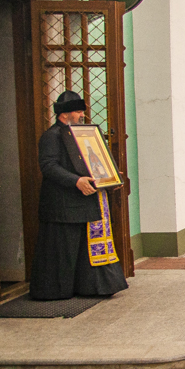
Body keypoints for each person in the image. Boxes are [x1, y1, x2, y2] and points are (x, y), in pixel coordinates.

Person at [29, 90, 128, 301]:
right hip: (62, 205)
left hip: (84, 202)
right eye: (77, 111)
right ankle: (56, 291)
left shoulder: (81, 133)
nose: (82, 115)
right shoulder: (52, 135)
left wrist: (109, 176)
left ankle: (89, 287)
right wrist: (76, 181)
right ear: (64, 114)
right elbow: (48, 166)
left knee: (82, 249)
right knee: (63, 249)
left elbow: (92, 161)